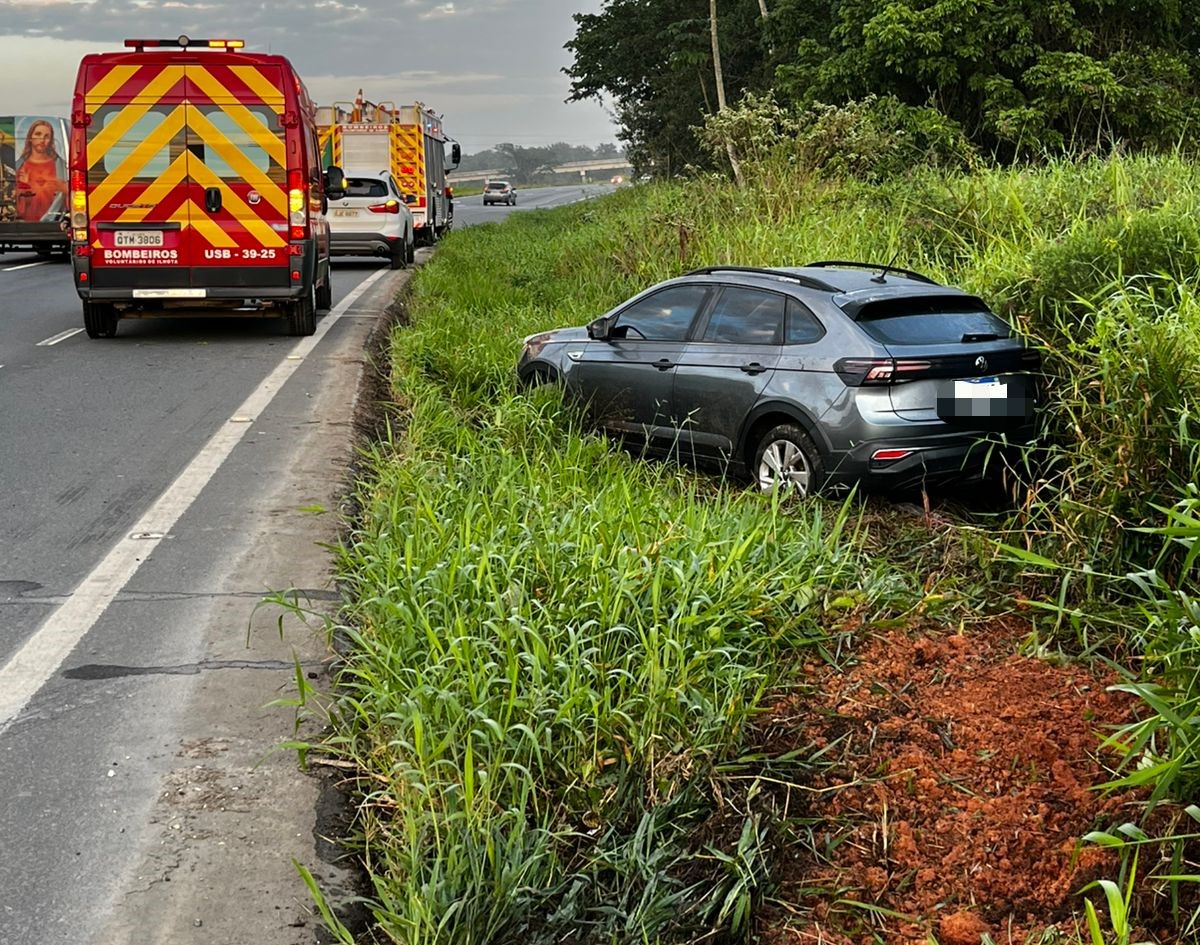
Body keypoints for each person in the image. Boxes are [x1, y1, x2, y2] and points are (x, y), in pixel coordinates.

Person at [15, 119, 67, 223]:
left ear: (51, 140)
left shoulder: (61, 165)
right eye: (38, 134)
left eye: (47, 136)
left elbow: (70, 194)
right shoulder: (19, 166)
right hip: (22, 225)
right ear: (30, 137)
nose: (42, 140)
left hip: (55, 223)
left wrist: (64, 188)